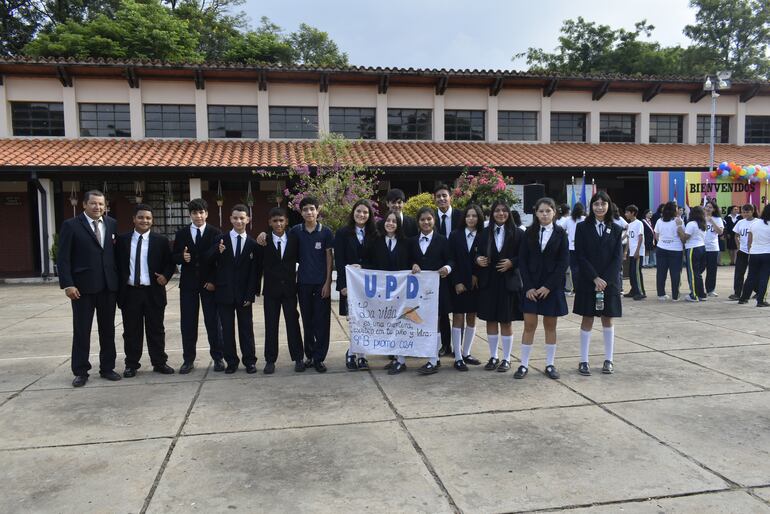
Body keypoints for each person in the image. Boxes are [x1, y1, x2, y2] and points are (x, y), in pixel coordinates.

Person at [57, 190, 121, 387]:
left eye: (101, 204)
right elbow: (63, 258)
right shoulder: (71, 225)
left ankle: (107, 368)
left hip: (108, 287)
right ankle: (80, 371)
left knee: (108, 330)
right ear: (84, 204)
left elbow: (113, 254)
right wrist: (68, 284)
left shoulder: (111, 223)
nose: (97, 207)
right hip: (82, 288)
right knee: (82, 331)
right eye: (93, 203)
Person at [116, 204, 176, 377]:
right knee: (131, 331)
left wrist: (165, 276)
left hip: (153, 292)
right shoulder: (122, 240)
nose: (145, 221)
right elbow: (117, 264)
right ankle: (131, 364)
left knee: (156, 330)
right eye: (141, 217)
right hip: (130, 292)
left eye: (148, 218)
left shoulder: (161, 240)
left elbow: (170, 263)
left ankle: (159, 362)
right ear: (134, 219)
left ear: (152, 220)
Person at [515, 197, 569, 380]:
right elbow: (522, 261)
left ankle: (550, 364)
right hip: (531, 287)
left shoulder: (561, 234)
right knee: (529, 325)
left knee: (550, 326)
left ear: (554, 212)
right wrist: (529, 287)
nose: (544, 214)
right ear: (536, 213)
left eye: (548, 211)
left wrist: (548, 286)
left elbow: (563, 263)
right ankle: (523, 364)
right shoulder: (528, 233)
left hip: (551, 288)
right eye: (541, 211)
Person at [172, 198, 224, 374]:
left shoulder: (216, 233)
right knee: (188, 323)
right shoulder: (182, 233)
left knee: (213, 322)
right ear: (190, 215)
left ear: (206, 213)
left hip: (209, 285)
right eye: (195, 213)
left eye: (201, 212)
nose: (198, 216)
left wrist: (214, 281)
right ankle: (188, 360)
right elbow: (174, 255)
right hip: (188, 285)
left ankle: (218, 358)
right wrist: (181, 258)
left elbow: (220, 261)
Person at [574, 191, 623, 376]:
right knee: (587, 318)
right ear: (591, 206)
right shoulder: (582, 227)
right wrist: (594, 278)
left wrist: (605, 280)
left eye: (603, 204)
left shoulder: (616, 229)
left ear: (609, 206)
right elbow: (580, 256)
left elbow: (617, 258)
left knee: (607, 319)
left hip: (609, 283)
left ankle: (609, 360)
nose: (600, 207)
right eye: (596, 204)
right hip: (588, 281)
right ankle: (584, 360)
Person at [208, 204, 261, 374]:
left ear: (248, 219)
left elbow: (255, 273)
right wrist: (217, 251)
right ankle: (231, 361)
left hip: (244, 294)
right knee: (227, 330)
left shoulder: (253, 244)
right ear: (230, 219)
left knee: (246, 329)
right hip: (224, 293)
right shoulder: (220, 240)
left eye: (242, 218)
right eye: (235, 218)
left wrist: (251, 295)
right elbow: (208, 261)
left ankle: (250, 361)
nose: (239, 221)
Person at [475, 200, 524, 373]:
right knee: (491, 319)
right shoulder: (484, 233)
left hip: (508, 282)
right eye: (497, 210)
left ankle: (507, 358)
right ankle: (494, 356)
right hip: (489, 282)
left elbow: (524, 255)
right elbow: (477, 252)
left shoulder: (518, 233)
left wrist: (512, 262)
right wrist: (478, 259)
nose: (500, 213)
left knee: (506, 320)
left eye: (504, 210)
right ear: (492, 213)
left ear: (508, 213)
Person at [362, 211, 412, 374]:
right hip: (382, 292)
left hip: (401, 292)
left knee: (400, 324)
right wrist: (360, 268)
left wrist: (415, 265)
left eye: (394, 221)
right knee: (388, 325)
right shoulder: (375, 241)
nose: (390, 223)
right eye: (388, 220)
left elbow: (412, 261)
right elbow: (368, 261)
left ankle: (401, 360)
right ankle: (395, 358)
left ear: (399, 225)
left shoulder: (406, 242)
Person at [409, 206, 453, 375]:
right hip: (417, 291)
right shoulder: (412, 241)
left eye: (429, 219)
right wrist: (412, 264)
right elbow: (407, 259)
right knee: (420, 321)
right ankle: (427, 355)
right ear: (418, 222)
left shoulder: (443, 240)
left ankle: (434, 360)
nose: (426, 222)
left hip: (438, 288)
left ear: (434, 220)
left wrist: (447, 268)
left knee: (436, 322)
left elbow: (451, 259)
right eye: (422, 219)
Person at [259, 207, 304, 374]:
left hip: (290, 290)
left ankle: (298, 358)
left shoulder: (294, 238)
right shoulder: (264, 240)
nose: (278, 224)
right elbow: (257, 265)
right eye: (275, 221)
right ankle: (270, 360)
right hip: (271, 291)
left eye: (281, 220)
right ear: (270, 222)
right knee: (271, 325)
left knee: (293, 324)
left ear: (286, 222)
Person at [292, 197, 334, 372]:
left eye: (312, 209)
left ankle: (319, 358)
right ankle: (309, 355)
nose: (309, 212)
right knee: (307, 321)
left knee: (322, 322)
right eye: (305, 209)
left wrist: (328, 282)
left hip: (321, 284)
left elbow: (329, 258)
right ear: (301, 212)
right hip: (303, 284)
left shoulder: (326, 232)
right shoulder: (296, 231)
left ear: (318, 210)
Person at [335, 199, 376, 370]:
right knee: (353, 319)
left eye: (365, 212)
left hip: (368, 284)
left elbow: (377, 259)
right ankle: (355, 353)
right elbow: (339, 260)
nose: (361, 215)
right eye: (358, 211)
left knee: (365, 319)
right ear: (353, 213)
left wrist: (363, 266)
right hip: (350, 284)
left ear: (369, 215)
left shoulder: (375, 233)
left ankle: (359, 355)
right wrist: (342, 285)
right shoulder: (342, 233)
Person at [448, 204, 483, 371]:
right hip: (459, 283)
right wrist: (456, 281)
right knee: (458, 317)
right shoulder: (455, 235)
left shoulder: (484, 235)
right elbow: (451, 259)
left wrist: (476, 274)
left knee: (471, 317)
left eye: (474, 216)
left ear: (479, 218)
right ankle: (457, 356)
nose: (471, 218)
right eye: (468, 215)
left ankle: (466, 352)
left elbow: (486, 258)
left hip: (476, 284)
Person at [434, 184, 463, 357]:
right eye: (438, 196)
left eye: (444, 195)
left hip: (459, 269)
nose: (442, 199)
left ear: (450, 197)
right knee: (442, 311)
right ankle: (445, 345)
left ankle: (459, 348)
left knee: (460, 310)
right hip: (439, 272)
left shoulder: (461, 216)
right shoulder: (430, 218)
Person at [738, 204, 770, 307]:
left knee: (751, 276)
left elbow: (749, 241)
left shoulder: (755, 223)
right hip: (767, 254)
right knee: (764, 277)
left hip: (754, 253)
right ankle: (761, 300)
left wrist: (750, 251)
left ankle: (743, 298)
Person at [677, 205, 707, 302]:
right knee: (697, 273)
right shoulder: (702, 224)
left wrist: (679, 227)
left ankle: (694, 295)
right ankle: (701, 294)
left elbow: (685, 238)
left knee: (692, 273)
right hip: (702, 248)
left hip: (693, 249)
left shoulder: (691, 224)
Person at [654, 201, 683, 301]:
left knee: (661, 272)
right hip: (675, 249)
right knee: (675, 273)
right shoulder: (678, 221)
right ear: (674, 210)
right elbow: (682, 235)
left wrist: (663, 242)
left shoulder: (659, 220)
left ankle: (661, 294)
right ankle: (675, 295)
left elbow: (656, 235)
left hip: (661, 248)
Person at [729, 204, 757, 301]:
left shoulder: (757, 222)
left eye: (747, 212)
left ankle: (758, 291)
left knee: (754, 273)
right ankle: (737, 293)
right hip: (742, 251)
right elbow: (736, 235)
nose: (745, 214)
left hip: (754, 251)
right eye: (743, 212)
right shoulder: (740, 222)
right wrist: (738, 246)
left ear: (752, 211)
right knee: (739, 272)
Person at [624, 205, 646, 300]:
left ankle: (641, 292)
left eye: (627, 212)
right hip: (632, 252)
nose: (625, 214)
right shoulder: (629, 225)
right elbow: (629, 239)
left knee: (637, 272)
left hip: (638, 252)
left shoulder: (639, 223)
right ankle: (634, 290)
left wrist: (637, 251)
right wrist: (625, 251)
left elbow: (640, 237)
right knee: (631, 273)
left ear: (633, 213)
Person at [564, 202, 585, 295]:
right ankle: (583, 287)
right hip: (583, 247)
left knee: (574, 269)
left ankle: (576, 288)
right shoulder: (585, 219)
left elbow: (561, 229)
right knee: (583, 268)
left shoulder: (568, 219)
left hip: (571, 247)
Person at [704, 200, 724, 297]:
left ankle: (710, 290)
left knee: (711, 270)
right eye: (707, 206)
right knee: (698, 269)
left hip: (712, 248)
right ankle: (695, 288)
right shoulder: (700, 218)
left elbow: (720, 232)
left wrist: (711, 221)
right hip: (701, 247)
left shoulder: (718, 219)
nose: (708, 208)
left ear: (714, 209)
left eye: (710, 207)